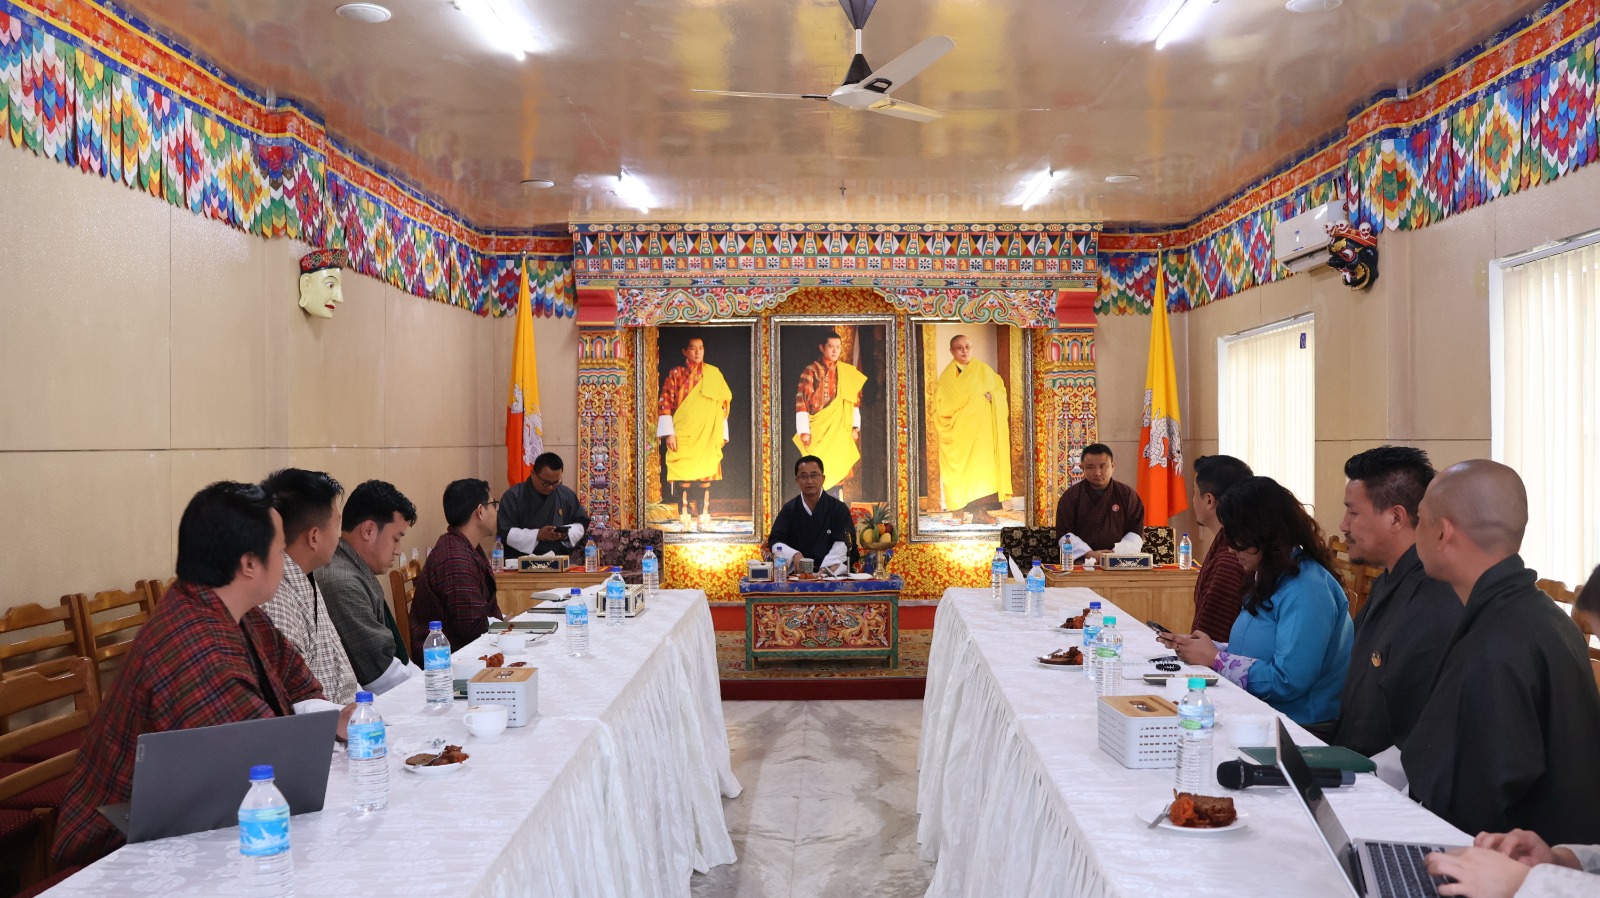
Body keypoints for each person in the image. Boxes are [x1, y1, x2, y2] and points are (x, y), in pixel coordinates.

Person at [53, 482, 348, 867]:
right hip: (116, 850)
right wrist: (320, 727)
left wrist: (327, 719)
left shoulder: (233, 610)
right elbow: (261, 763)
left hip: (194, 814)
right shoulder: (193, 644)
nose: (285, 561)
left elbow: (298, 679)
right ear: (249, 563)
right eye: (279, 551)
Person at [1402, 461, 1600, 845]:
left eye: (1420, 520)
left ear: (1442, 532)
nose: (1415, 533)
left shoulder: (1495, 645)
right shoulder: (1544, 615)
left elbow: (1465, 806)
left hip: (1518, 862)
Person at [1169, 476, 1353, 729]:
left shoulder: (1306, 589)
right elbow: (1258, 649)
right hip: (1262, 713)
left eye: (1236, 537)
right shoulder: (1271, 574)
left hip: (1301, 726)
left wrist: (1217, 660)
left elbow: (1288, 680)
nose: (1231, 549)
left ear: (1262, 532)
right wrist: (1208, 649)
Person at [1329, 446, 1462, 759]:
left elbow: (1416, 726)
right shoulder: (1389, 578)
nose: (1343, 525)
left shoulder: (1435, 596)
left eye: (1353, 512)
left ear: (1396, 517)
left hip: (1384, 778)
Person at [259, 468, 361, 705]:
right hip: (321, 721)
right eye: (336, 525)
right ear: (314, 536)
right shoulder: (273, 596)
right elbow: (294, 701)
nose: (339, 536)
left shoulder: (304, 574)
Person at [321, 479, 417, 694]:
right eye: (396, 539)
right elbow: (380, 675)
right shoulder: (342, 583)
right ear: (368, 530)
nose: (398, 550)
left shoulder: (353, 568)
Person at [410, 478, 502, 657]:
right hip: (445, 659)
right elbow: (472, 628)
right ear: (480, 511)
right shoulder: (455, 557)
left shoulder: (462, 546)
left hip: (465, 650)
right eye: (493, 505)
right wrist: (503, 627)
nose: (496, 510)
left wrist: (503, 623)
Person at [1164, 454, 1252, 640]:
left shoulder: (1230, 559)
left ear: (1209, 500)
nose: (1193, 500)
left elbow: (1211, 642)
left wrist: (1189, 645)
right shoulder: (1231, 543)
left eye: (1195, 493)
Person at [932, 334, 1011, 520]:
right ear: (952, 351)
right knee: (959, 471)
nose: (964, 351)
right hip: (959, 433)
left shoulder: (984, 370)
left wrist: (994, 396)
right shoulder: (947, 378)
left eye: (967, 347)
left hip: (982, 433)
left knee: (982, 471)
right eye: (959, 348)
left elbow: (1000, 390)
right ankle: (958, 510)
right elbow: (940, 406)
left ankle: (980, 512)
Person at [658, 336, 733, 532]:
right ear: (685, 351)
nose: (698, 352)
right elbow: (665, 402)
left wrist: (722, 433)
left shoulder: (713, 374)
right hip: (683, 433)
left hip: (708, 434)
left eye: (701, 348)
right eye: (693, 348)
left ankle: (703, 519)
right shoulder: (676, 374)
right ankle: (685, 520)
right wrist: (669, 433)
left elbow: (722, 406)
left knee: (705, 480)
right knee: (684, 479)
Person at [792, 333, 866, 494]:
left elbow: (853, 401)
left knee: (838, 467)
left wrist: (855, 427)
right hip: (818, 429)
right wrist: (804, 431)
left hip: (839, 429)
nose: (835, 351)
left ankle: (834, 502)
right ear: (822, 348)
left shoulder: (846, 372)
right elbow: (802, 400)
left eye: (838, 347)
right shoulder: (811, 371)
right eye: (831, 347)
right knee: (818, 468)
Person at [1052, 443, 1146, 560]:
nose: (1097, 473)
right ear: (1082, 468)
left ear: (1113, 466)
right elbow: (1064, 533)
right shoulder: (1071, 496)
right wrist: (1088, 553)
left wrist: (1114, 554)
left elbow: (1136, 532)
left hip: (1119, 560)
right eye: (1091, 467)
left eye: (1103, 466)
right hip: (1082, 561)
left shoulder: (1127, 495)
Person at [768, 455, 857, 575]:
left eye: (814, 475)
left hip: (831, 573)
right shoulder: (789, 509)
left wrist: (825, 568)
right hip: (799, 574)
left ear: (823, 478)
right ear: (797, 480)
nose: (809, 481)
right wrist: (794, 555)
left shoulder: (838, 508)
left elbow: (844, 543)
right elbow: (776, 541)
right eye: (804, 476)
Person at [498, 452, 591, 559]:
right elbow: (505, 532)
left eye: (555, 482)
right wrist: (537, 535)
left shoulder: (566, 495)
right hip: (519, 563)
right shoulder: (513, 496)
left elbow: (581, 523)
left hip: (558, 561)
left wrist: (567, 533)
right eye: (546, 482)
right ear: (533, 474)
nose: (551, 487)